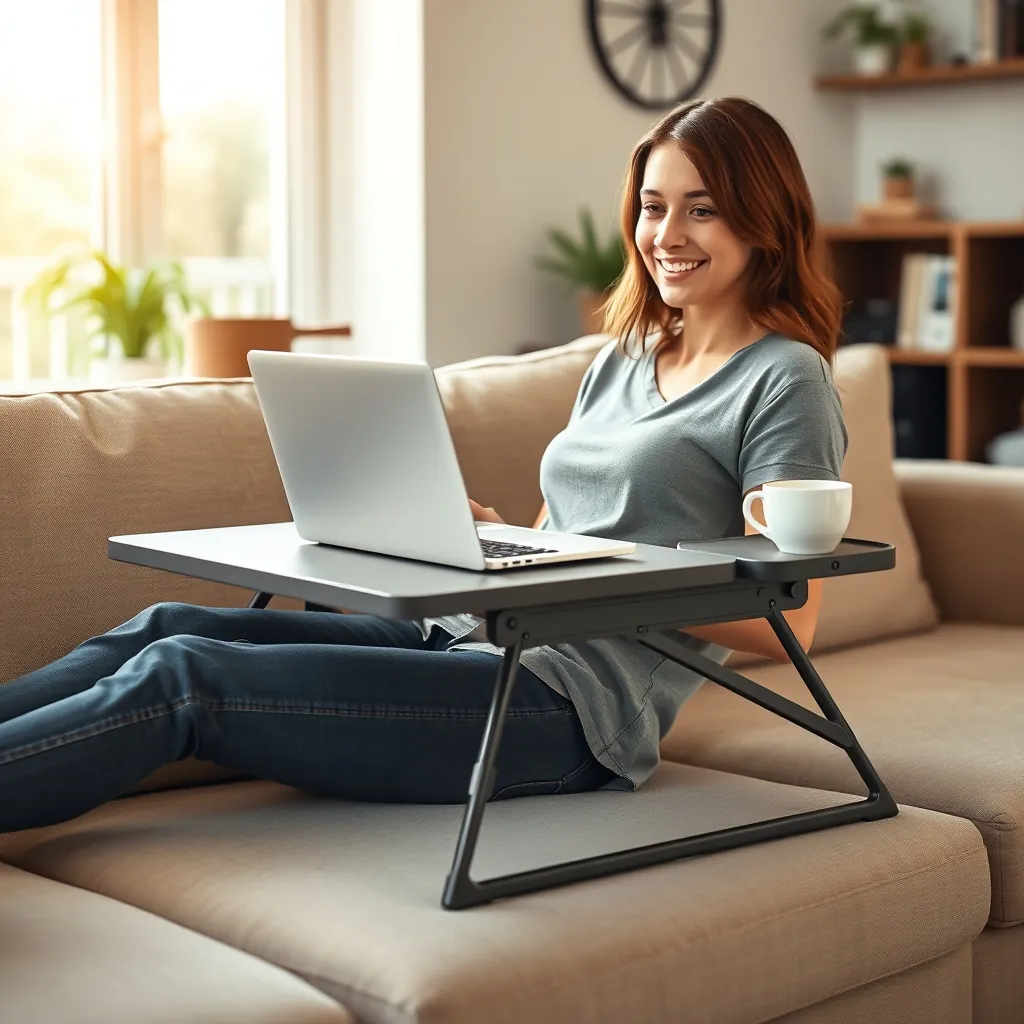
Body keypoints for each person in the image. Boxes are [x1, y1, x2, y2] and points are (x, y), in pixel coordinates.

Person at [0, 96, 846, 834]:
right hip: (466, 637)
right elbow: (579, 532)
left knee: (187, 682)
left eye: (700, 210)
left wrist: (590, 577)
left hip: (563, 709)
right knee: (167, 626)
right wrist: (506, 539)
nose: (665, 235)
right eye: (653, 207)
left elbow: (791, 620)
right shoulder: (620, 358)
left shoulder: (783, 378)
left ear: (762, 218)